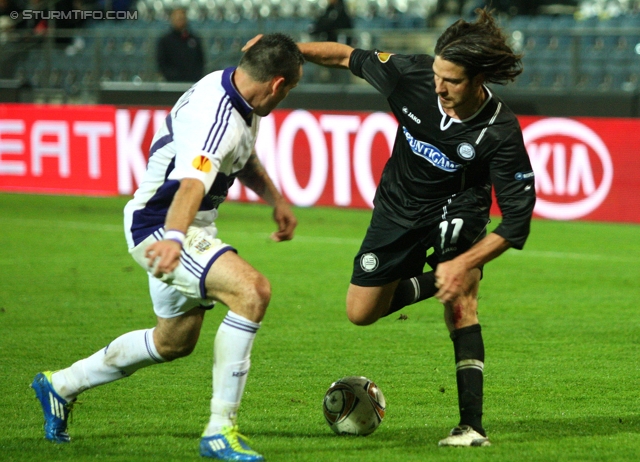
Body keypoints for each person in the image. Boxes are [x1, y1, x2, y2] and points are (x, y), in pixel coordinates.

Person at [31, 33, 304, 462]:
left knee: (173, 342)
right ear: (278, 85)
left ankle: (61, 384)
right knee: (252, 291)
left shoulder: (237, 92)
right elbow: (193, 182)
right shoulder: (215, 114)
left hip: (179, 224)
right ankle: (220, 430)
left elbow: (240, 157)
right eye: (290, 90)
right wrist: (175, 237)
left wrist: (276, 200)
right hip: (162, 225)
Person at [297, 7, 535, 447]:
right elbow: (344, 56)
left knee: (461, 302)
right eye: (437, 75)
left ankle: (471, 427)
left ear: (479, 80)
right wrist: (286, 51)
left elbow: (517, 221)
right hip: (397, 208)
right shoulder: (410, 75)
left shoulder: (499, 131)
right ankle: (434, 281)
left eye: (452, 80)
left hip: (458, 210)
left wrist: (465, 261)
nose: (439, 86)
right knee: (360, 312)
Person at [157, 7, 205, 82]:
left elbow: (200, 61)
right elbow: (162, 63)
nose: (180, 21)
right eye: (178, 18)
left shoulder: (194, 39)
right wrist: (172, 76)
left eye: (182, 18)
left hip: (192, 82)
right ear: (172, 20)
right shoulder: (165, 41)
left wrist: (195, 76)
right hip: (172, 83)